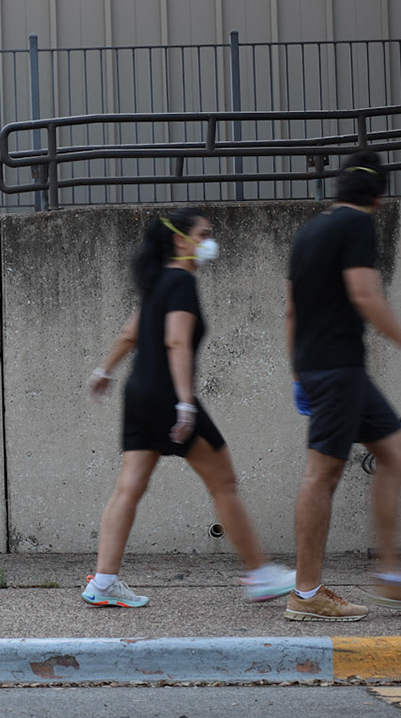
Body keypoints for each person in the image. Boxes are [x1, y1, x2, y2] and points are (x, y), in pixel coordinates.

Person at [82, 208, 295, 609]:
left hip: (139, 393)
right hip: (167, 395)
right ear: (182, 240)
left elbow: (131, 333)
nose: (210, 239)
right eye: (205, 233)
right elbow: (176, 341)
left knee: (128, 490)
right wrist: (184, 403)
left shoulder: (157, 280)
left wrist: (104, 370)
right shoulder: (180, 280)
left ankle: (104, 582)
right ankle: (261, 574)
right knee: (224, 483)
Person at [282, 151, 401, 622]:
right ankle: (307, 591)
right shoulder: (356, 225)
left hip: (328, 368)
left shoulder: (310, 231)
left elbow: (291, 309)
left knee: (395, 449)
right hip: (338, 368)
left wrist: (297, 372)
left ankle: (391, 577)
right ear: (378, 196)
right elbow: (364, 294)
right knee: (321, 474)